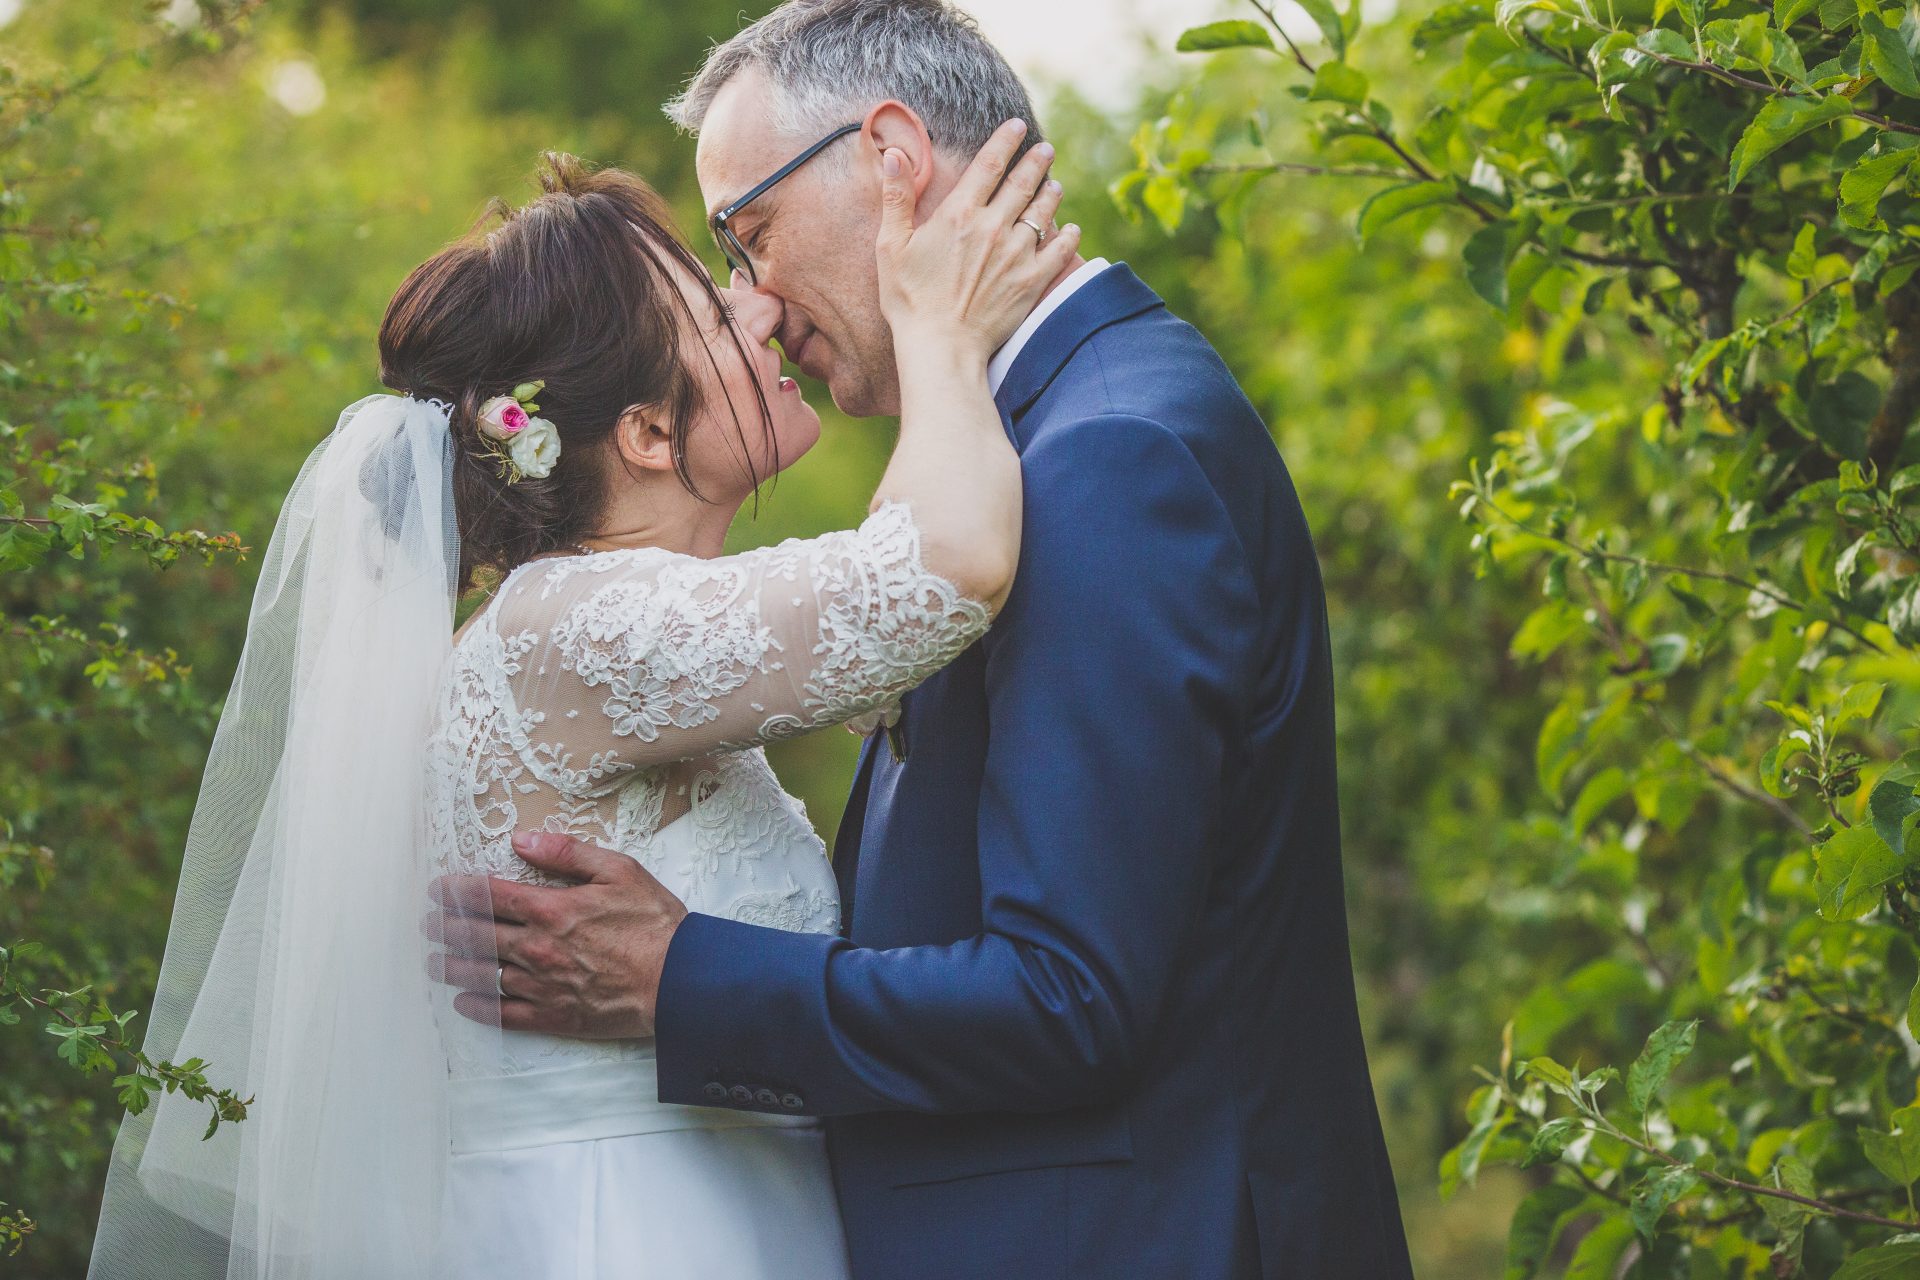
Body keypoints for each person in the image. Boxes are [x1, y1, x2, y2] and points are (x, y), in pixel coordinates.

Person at [433, 2, 1417, 1277]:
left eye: (753, 234)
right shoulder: (1028, 452)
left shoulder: (1109, 457)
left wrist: (684, 975)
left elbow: (1071, 994)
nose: (763, 305)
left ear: (893, 161)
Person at [87, 120, 1074, 1277]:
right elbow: (943, 564)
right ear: (648, 431)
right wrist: (939, 326)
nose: (761, 309)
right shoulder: (568, 632)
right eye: (715, 312)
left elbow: (891, 577)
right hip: (628, 1232)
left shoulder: (595, 631)